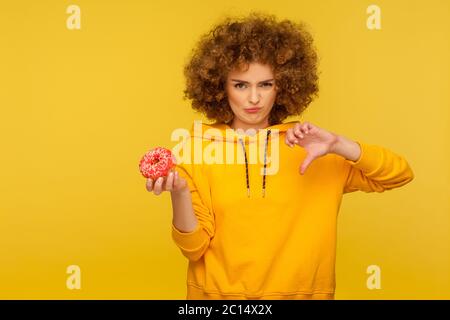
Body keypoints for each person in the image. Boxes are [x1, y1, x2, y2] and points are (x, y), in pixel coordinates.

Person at [145, 12, 414, 300]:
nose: (254, 98)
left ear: (283, 85)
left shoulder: (312, 147)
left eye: (265, 84)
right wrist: (180, 192)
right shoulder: (195, 149)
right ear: (220, 87)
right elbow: (193, 248)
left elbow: (399, 174)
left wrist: (339, 144)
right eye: (240, 85)